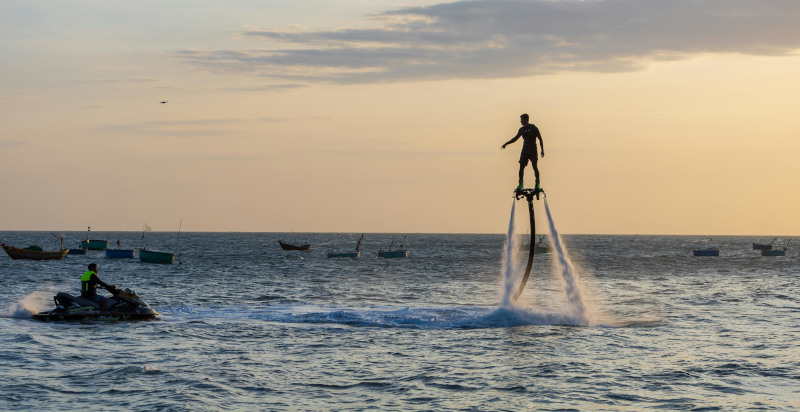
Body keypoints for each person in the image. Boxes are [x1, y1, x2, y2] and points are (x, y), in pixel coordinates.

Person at [501, 113, 544, 191]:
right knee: (521, 168)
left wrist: (542, 150)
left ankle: (537, 183)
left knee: (534, 166)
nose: (520, 121)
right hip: (525, 150)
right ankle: (521, 184)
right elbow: (515, 138)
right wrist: (506, 143)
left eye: (521, 119)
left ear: (526, 119)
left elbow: (540, 138)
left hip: (533, 150)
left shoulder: (533, 127)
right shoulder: (521, 129)